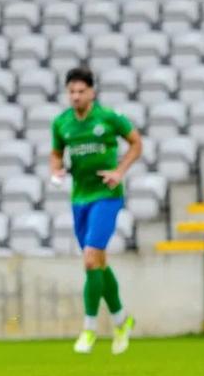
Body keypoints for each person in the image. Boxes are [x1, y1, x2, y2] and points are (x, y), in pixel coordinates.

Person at [51, 67, 142, 354]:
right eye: (71, 92)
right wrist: (56, 171)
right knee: (98, 262)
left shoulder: (108, 117)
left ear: (92, 92)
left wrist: (119, 171)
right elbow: (56, 153)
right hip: (80, 199)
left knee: (90, 259)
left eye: (81, 91)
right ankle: (122, 321)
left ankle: (88, 330)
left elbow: (136, 143)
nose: (76, 96)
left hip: (107, 195)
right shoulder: (61, 123)